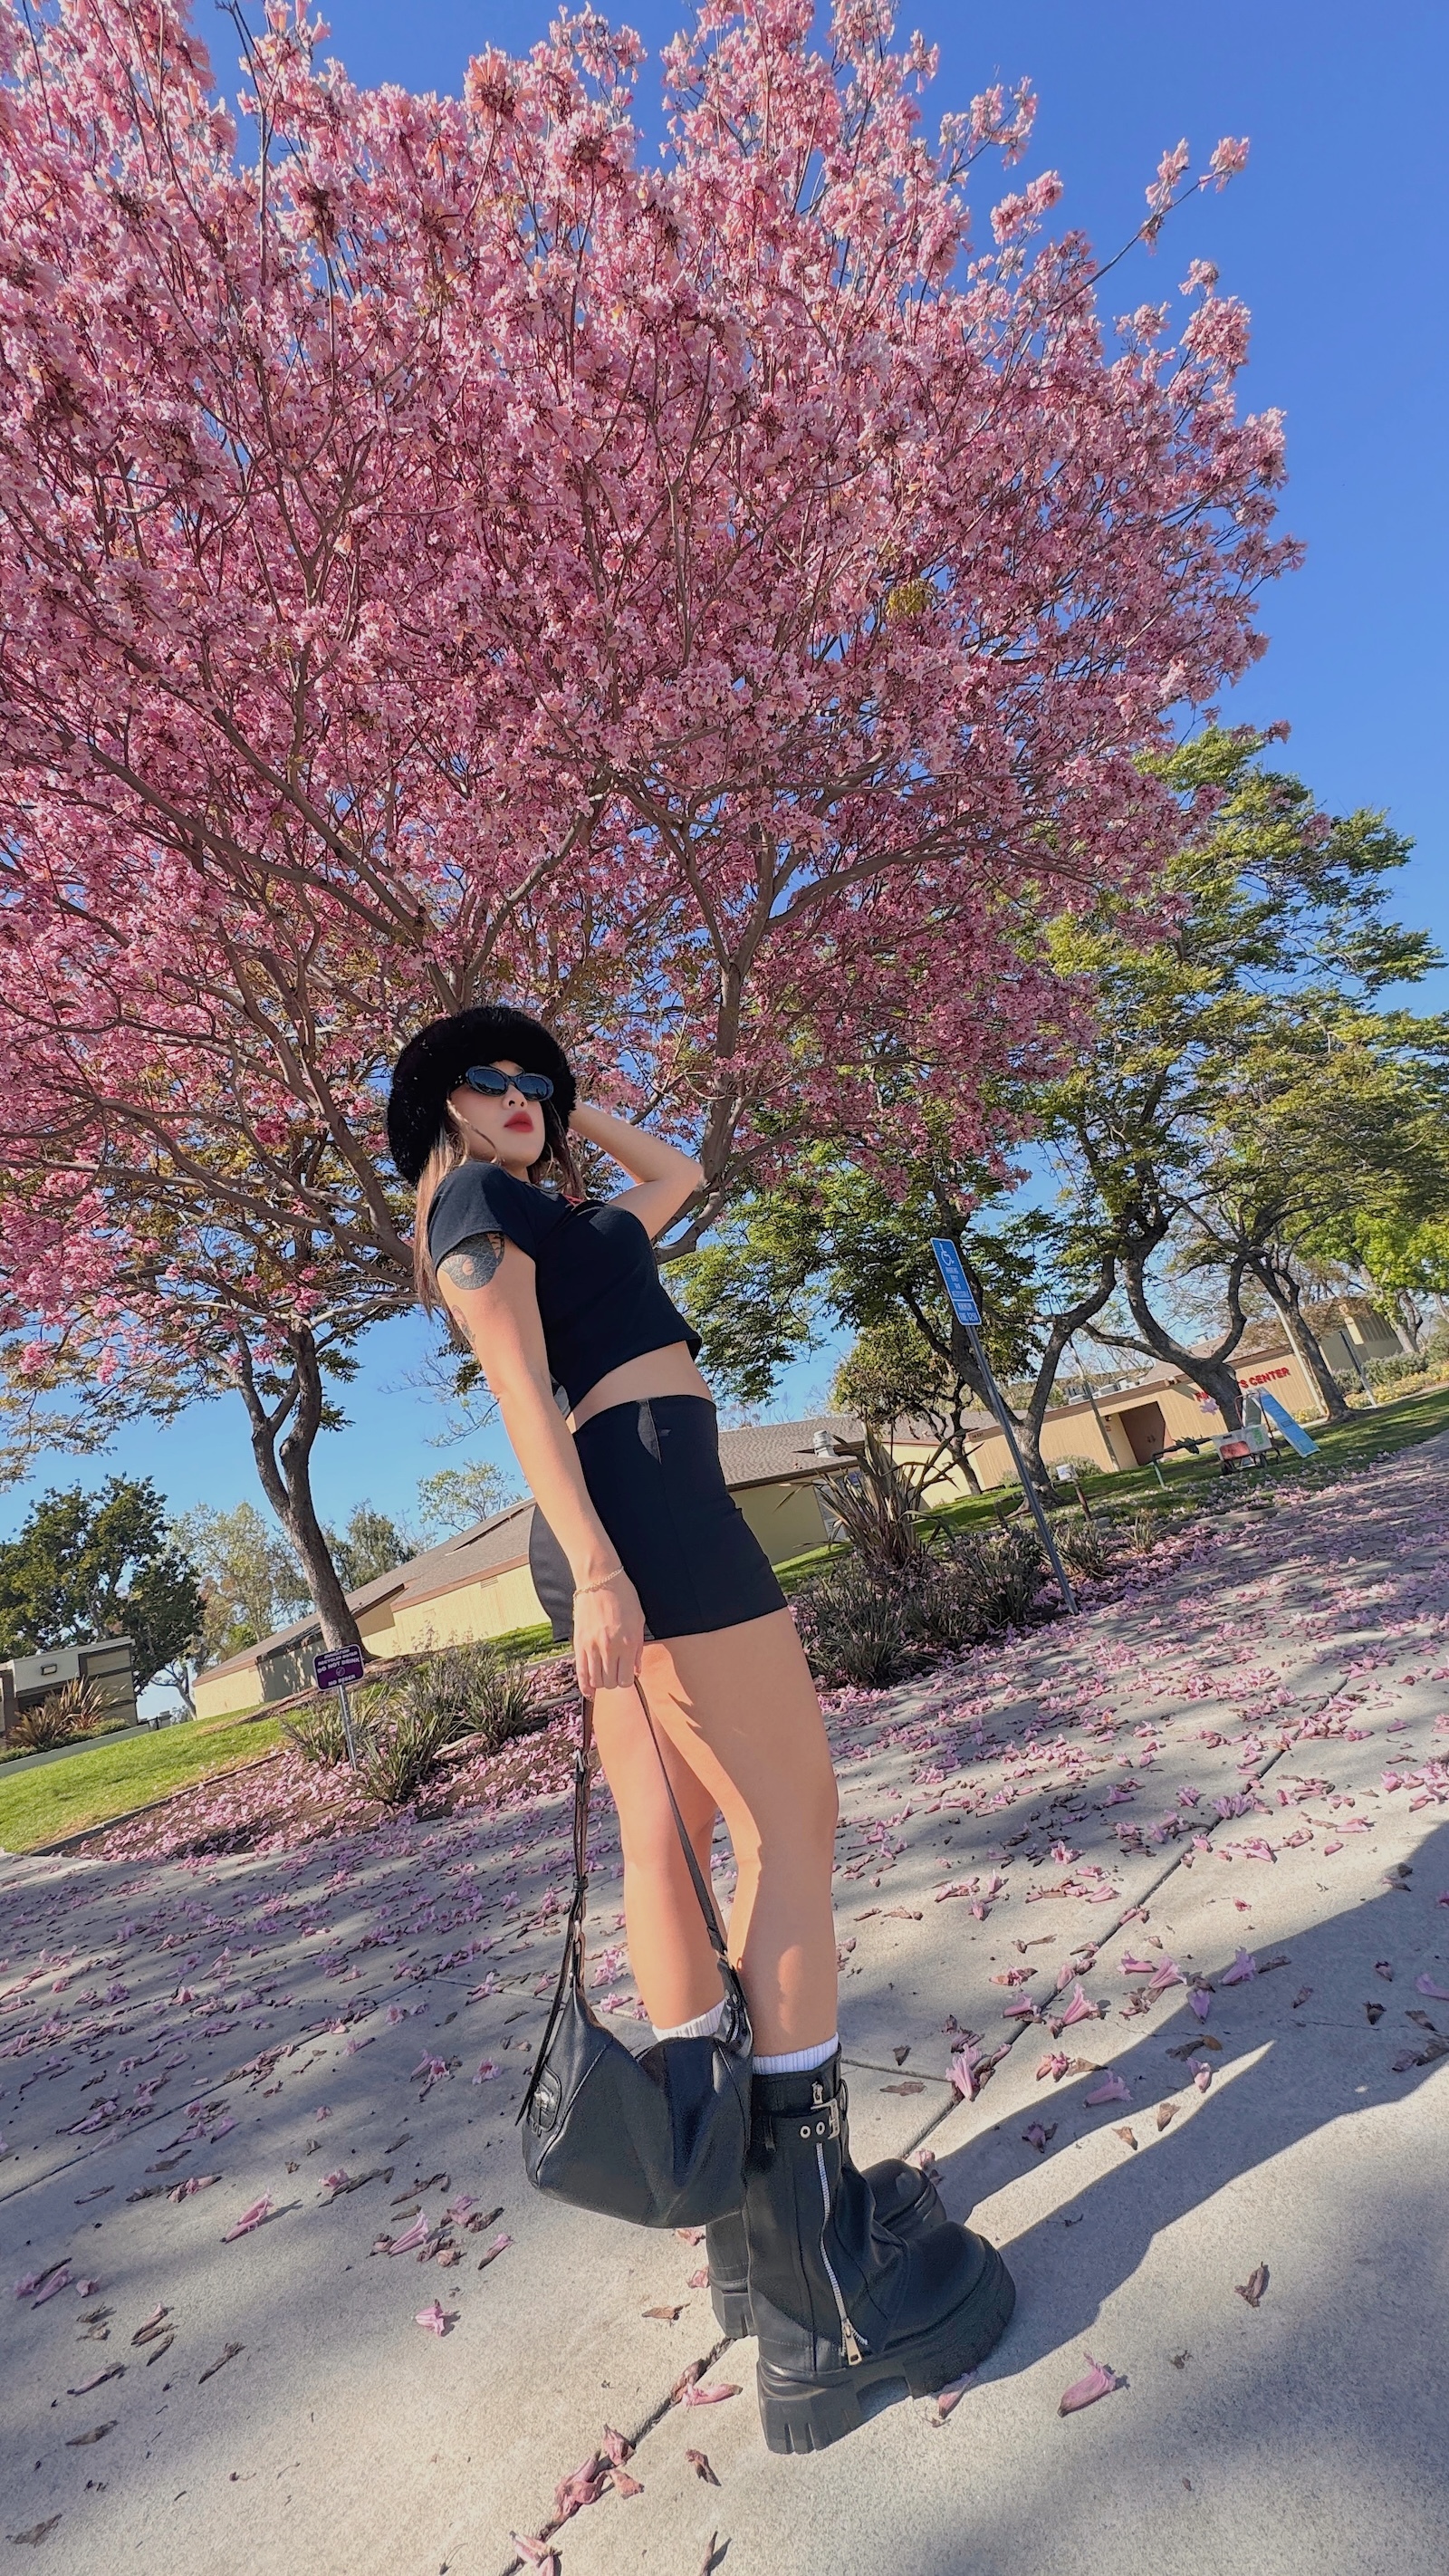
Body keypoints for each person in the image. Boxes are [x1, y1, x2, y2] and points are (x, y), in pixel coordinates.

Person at [387, 1004, 1014, 2453]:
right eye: (489, 1080)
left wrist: (575, 1094)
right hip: (641, 1502)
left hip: (629, 1507)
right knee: (791, 1825)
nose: (519, 1095)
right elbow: (514, 1387)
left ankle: (747, 2238)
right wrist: (603, 1564)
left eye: (534, 1079)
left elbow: (676, 1178)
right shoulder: (473, 1208)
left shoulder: (556, 1213)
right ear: (441, 1107)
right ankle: (822, 2290)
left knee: (669, 1846)